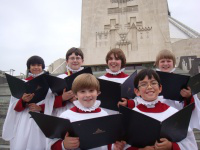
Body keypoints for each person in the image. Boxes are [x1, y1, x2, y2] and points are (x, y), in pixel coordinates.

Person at [124, 69, 198, 150]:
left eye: (153, 83)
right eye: (144, 84)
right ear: (137, 91)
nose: (149, 87)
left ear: (160, 88)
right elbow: (123, 145)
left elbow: (191, 144)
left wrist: (171, 146)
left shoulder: (174, 113)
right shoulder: (130, 116)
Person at [48, 74, 125, 150]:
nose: (87, 95)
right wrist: (64, 145)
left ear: (98, 93)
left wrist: (113, 147)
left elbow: (106, 142)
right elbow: (52, 144)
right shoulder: (66, 116)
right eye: (82, 91)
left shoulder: (105, 115)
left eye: (91, 90)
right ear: (75, 95)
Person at [2, 55, 54, 150]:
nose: (36, 67)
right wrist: (23, 100)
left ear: (42, 67)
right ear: (29, 68)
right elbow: (14, 107)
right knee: (22, 141)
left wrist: (40, 108)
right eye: (33, 65)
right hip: (24, 118)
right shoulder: (22, 83)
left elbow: (52, 103)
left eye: (39, 65)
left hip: (41, 118)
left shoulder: (49, 84)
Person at [154, 49, 200, 130]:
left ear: (173, 63)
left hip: (177, 119)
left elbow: (190, 107)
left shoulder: (182, 80)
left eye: (168, 61)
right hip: (158, 116)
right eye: (162, 61)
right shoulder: (152, 80)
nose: (165, 63)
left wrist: (188, 96)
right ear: (158, 64)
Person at [52, 47, 84, 117]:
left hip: (83, 112)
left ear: (82, 61)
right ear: (67, 61)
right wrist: (63, 98)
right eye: (72, 58)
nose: (75, 60)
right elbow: (50, 102)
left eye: (78, 58)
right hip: (64, 111)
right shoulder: (60, 78)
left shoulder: (87, 78)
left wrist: (79, 98)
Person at [99, 48, 129, 114]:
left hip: (123, 115)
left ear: (122, 61)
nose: (113, 61)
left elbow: (136, 98)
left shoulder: (129, 79)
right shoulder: (99, 80)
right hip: (104, 115)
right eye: (110, 59)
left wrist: (128, 102)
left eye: (117, 59)